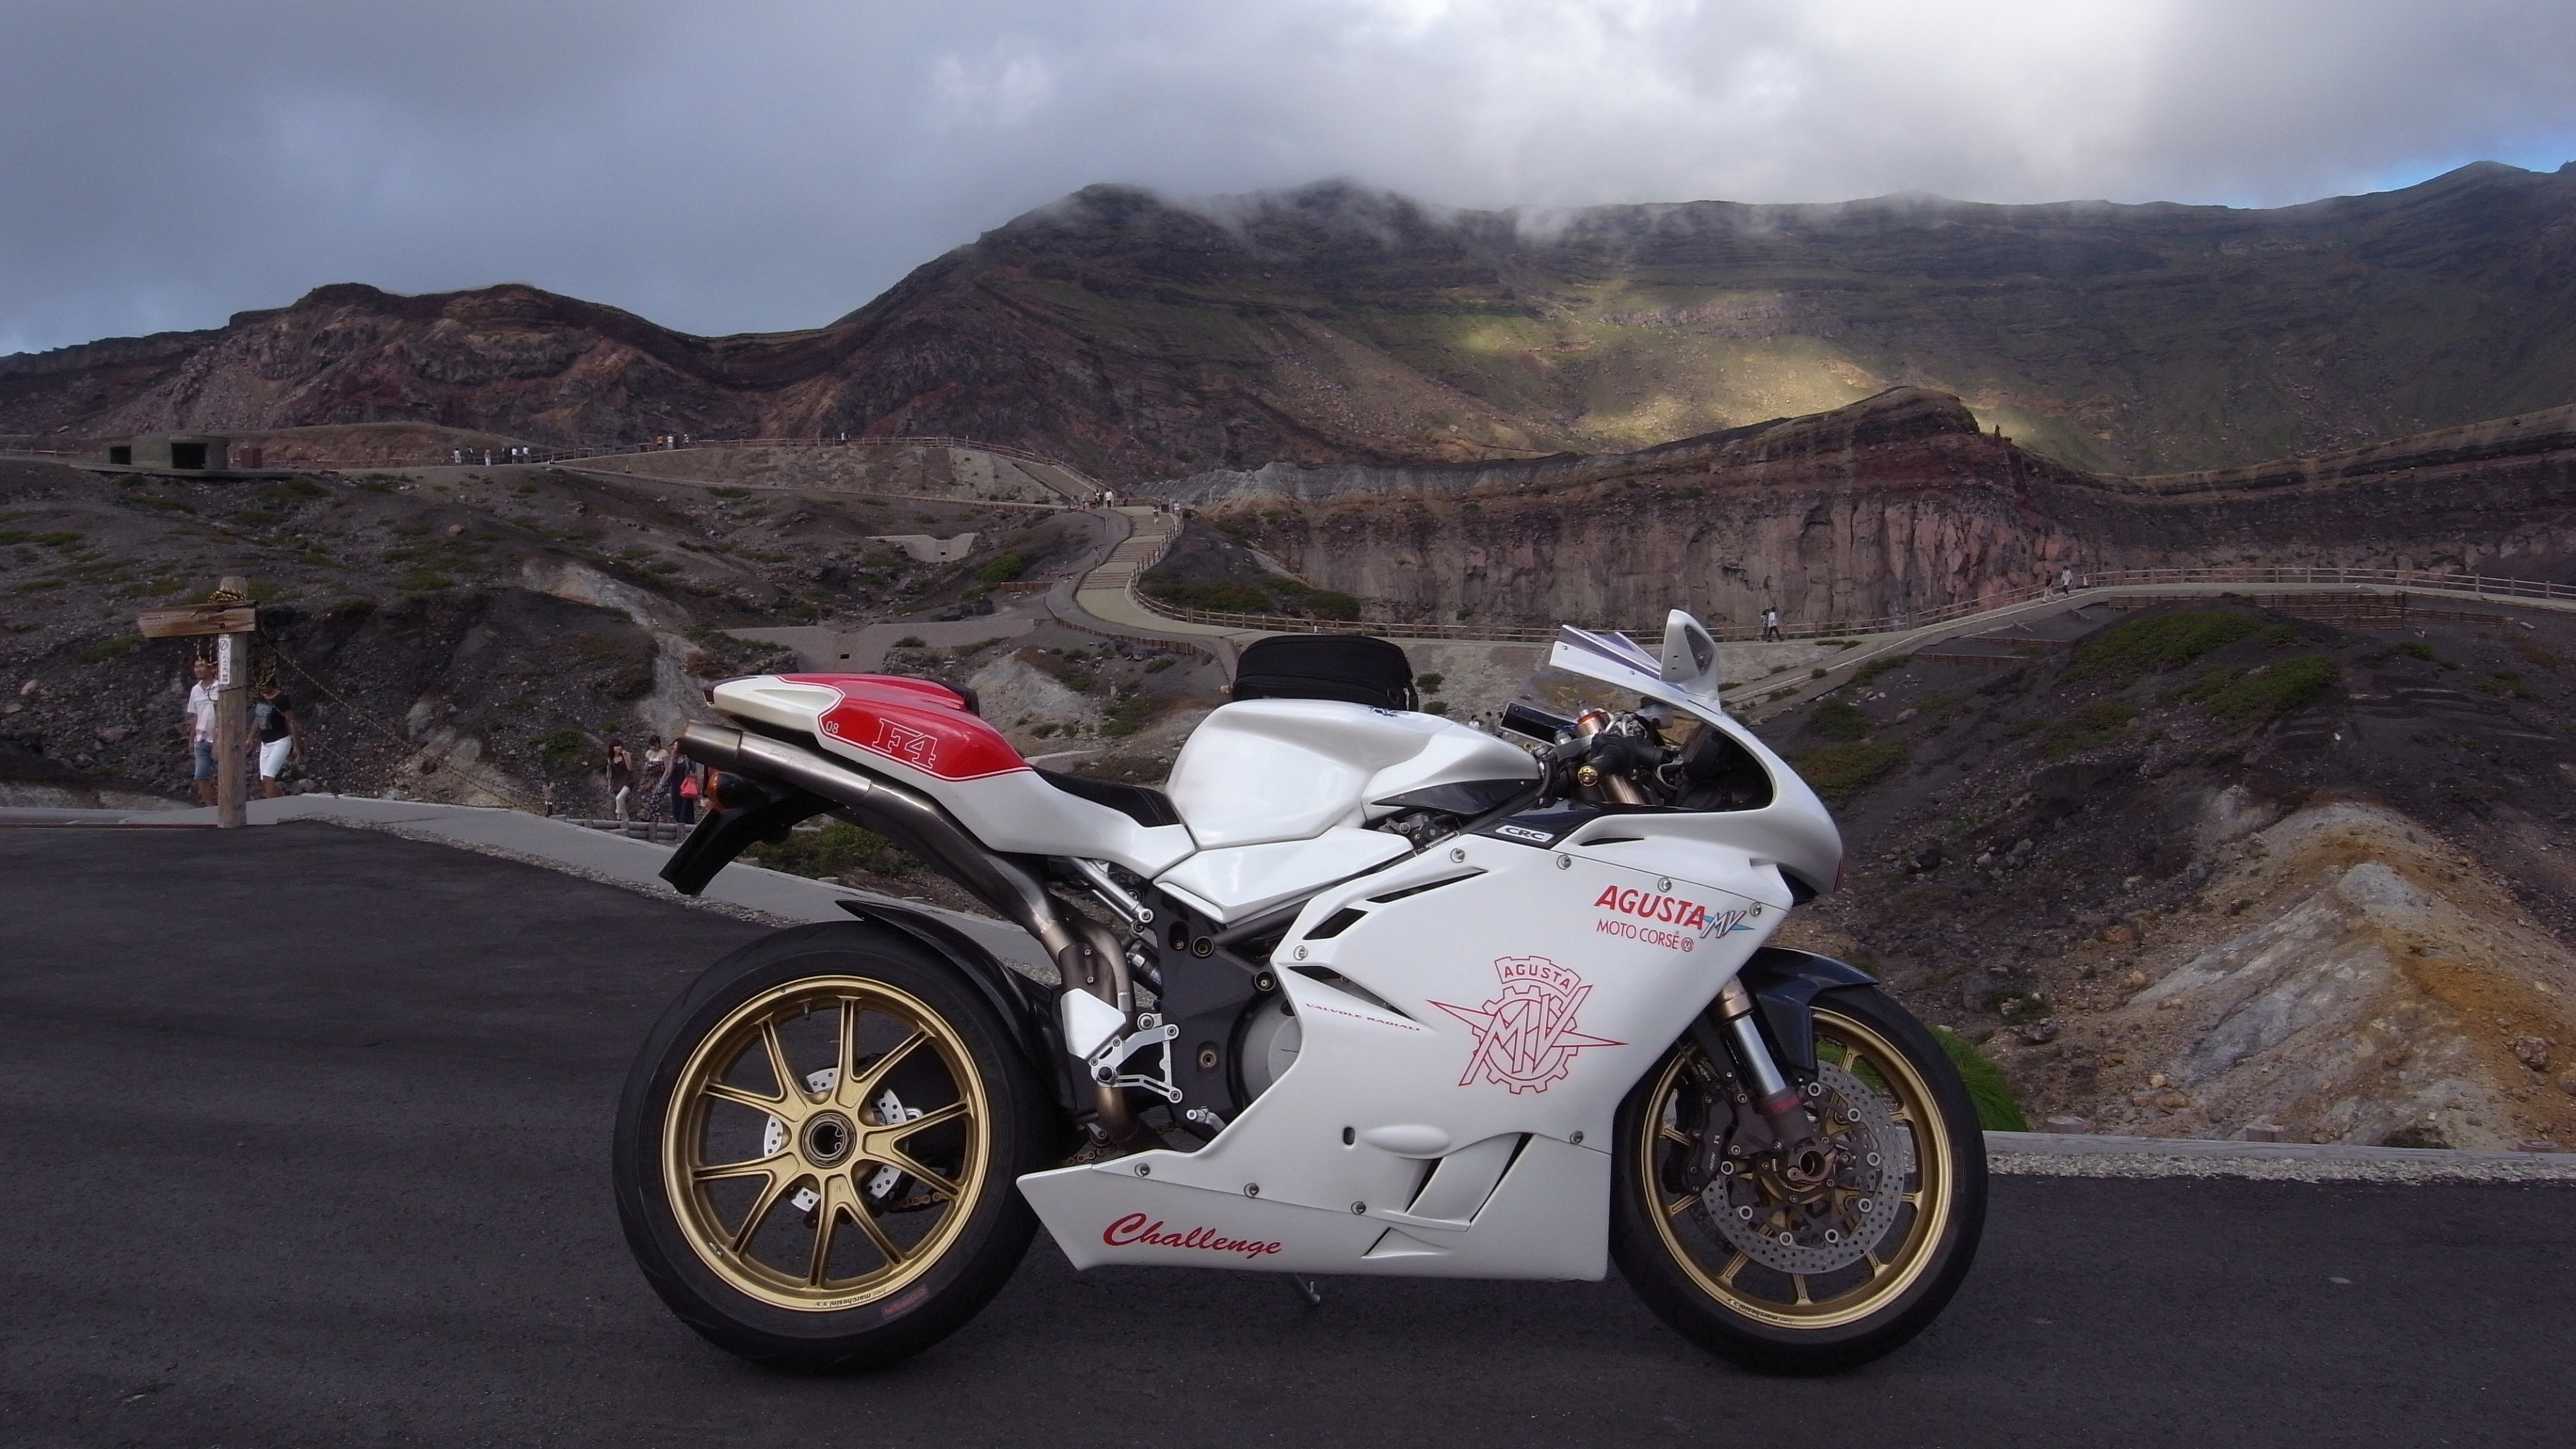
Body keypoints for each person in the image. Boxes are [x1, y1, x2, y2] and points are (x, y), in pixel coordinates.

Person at [252, 681, 300, 798]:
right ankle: (284, 802)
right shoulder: (261, 698)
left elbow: (291, 721)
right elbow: (258, 718)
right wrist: (250, 738)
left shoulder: (282, 699)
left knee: (269, 777)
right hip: (266, 742)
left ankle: (271, 808)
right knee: (264, 780)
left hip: (280, 741)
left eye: (264, 686)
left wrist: (297, 745)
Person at [181, 656, 219, 804]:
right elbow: (195, 715)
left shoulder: (220, 686)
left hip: (218, 738)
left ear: (210, 668)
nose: (198, 669)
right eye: (196, 666)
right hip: (201, 738)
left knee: (226, 774)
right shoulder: (195, 690)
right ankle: (211, 808)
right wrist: (191, 739)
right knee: (201, 776)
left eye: (202, 666)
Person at [641, 736, 669, 821]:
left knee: (655, 799)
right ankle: (651, 819)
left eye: (655, 745)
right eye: (652, 745)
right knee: (647, 801)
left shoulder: (663, 753)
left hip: (661, 779)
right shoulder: (649, 753)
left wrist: (662, 782)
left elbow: (667, 769)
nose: (653, 747)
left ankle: (659, 819)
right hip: (651, 779)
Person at [606, 738, 635, 822]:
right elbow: (610, 773)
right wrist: (609, 785)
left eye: (620, 746)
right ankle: (626, 821)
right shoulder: (610, 759)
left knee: (619, 798)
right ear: (613, 748)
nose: (619, 748)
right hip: (616, 782)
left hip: (628, 780)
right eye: (617, 746)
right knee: (621, 802)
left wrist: (626, 757)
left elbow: (630, 768)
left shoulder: (627, 754)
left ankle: (618, 815)